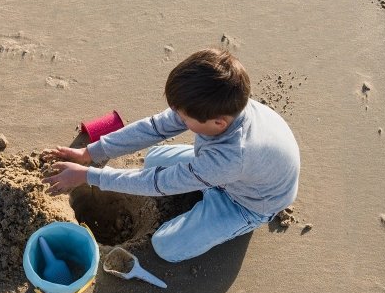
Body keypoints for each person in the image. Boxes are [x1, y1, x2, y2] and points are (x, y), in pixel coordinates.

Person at [42, 48, 300, 262]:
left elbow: (158, 183)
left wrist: (89, 176)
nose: (177, 119)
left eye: (183, 118)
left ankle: (222, 211)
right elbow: (155, 127)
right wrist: (90, 152)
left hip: (249, 201)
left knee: (166, 246)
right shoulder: (222, 102)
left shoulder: (232, 155)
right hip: (233, 171)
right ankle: (202, 188)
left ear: (218, 123)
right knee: (154, 158)